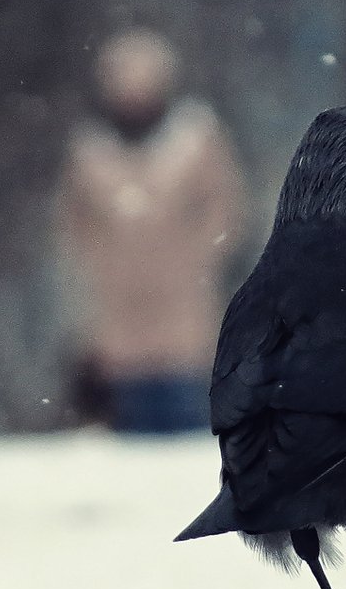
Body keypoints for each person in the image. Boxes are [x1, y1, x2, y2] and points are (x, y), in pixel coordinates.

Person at [56, 28, 246, 435]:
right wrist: (102, 261)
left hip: (184, 316)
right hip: (117, 321)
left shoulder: (196, 139)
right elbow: (73, 221)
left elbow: (224, 206)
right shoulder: (90, 151)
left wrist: (197, 255)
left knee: (186, 422)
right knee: (128, 428)